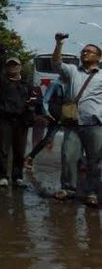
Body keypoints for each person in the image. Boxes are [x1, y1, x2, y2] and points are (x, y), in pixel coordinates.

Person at [52, 34, 101, 207]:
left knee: (95, 161)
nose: (85, 53)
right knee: (68, 156)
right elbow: (56, 64)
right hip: (73, 123)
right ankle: (68, 189)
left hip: (94, 125)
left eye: (90, 51)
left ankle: (92, 193)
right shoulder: (73, 71)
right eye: (84, 51)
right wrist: (59, 44)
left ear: (98, 57)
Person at [0, 49, 34, 188]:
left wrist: (31, 114)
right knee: (4, 149)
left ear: (20, 67)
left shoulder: (26, 85)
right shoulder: (2, 82)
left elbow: (33, 101)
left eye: (15, 65)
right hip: (5, 120)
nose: (13, 67)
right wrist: (0, 55)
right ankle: (2, 176)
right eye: (10, 65)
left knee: (19, 150)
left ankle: (17, 177)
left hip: (21, 121)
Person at [24, 78, 66, 170]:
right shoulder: (56, 84)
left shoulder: (74, 82)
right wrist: (47, 113)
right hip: (56, 116)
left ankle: (82, 161)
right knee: (48, 139)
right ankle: (30, 157)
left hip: (70, 115)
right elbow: (45, 100)